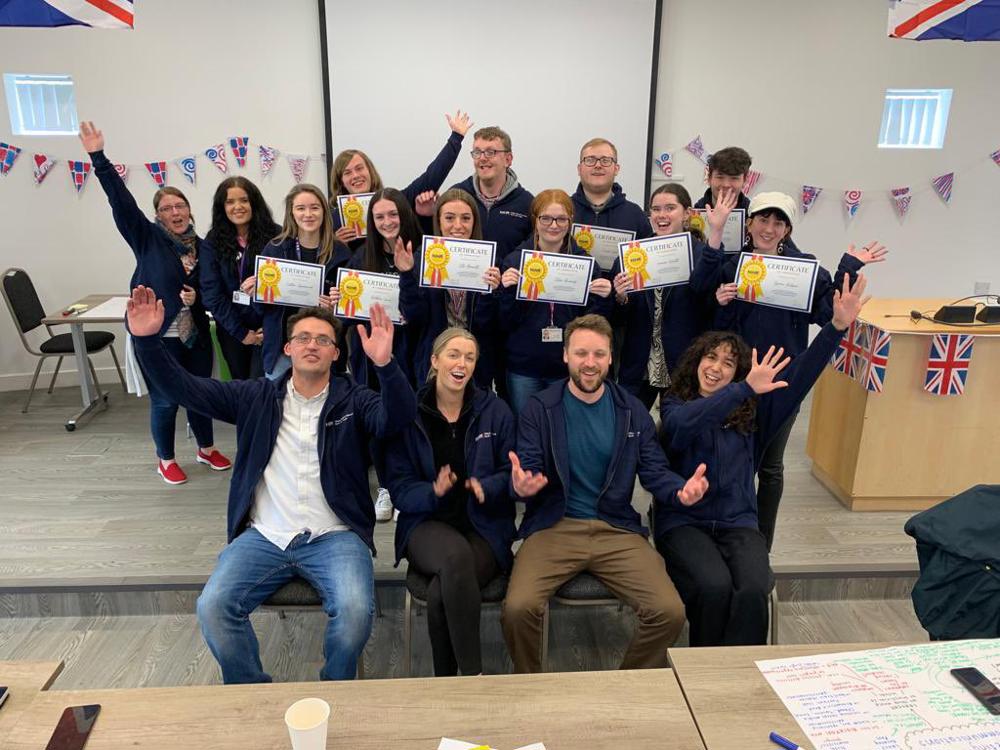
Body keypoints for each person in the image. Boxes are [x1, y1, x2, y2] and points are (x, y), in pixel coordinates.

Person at [128, 286, 416, 683]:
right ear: (287, 348)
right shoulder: (256, 396)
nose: (312, 345)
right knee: (213, 606)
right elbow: (183, 388)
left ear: (336, 353)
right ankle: (252, 693)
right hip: (265, 535)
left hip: (336, 535)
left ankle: (335, 690)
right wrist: (147, 342)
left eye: (323, 340)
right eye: (303, 338)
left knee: (354, 613)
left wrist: (386, 366)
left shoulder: (355, 400)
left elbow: (398, 419)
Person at [655, 274, 868, 646]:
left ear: (738, 372)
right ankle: (706, 667)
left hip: (738, 521)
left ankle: (741, 668)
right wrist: (741, 389)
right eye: (711, 357)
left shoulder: (753, 411)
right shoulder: (676, 404)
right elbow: (682, 426)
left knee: (753, 588)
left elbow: (800, 376)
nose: (716, 367)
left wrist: (835, 327)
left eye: (728, 363)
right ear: (696, 361)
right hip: (684, 522)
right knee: (714, 586)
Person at [501, 314, 709, 673]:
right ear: (565, 355)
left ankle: (624, 685)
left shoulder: (632, 411)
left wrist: (680, 490)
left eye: (599, 354)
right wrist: (522, 484)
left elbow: (654, 470)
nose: (590, 362)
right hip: (555, 526)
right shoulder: (541, 407)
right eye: (581, 353)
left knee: (669, 611)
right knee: (518, 609)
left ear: (611, 357)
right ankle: (531, 685)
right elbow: (528, 463)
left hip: (615, 528)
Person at [707, 191, 888, 550]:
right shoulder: (732, 267)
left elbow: (828, 314)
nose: (769, 228)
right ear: (749, 224)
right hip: (738, 381)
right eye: (763, 220)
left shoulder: (806, 270)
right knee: (731, 460)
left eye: (779, 223)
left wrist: (849, 267)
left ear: (787, 230)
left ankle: (763, 544)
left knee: (770, 466)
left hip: (783, 381)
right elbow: (719, 330)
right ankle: (728, 534)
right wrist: (722, 303)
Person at [79, 121, 230, 485]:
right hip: (158, 337)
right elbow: (121, 202)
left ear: (189, 211)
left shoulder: (204, 246)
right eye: (166, 208)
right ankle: (166, 459)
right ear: (158, 215)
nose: (175, 212)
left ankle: (206, 448)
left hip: (195, 336)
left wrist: (198, 297)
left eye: (180, 206)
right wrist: (99, 158)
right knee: (165, 400)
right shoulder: (146, 238)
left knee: (201, 394)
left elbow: (213, 288)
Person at [382, 328, 515, 676]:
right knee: (454, 557)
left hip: (483, 526)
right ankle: (473, 677)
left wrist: (488, 486)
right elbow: (399, 487)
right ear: (435, 360)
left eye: (470, 358)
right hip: (426, 524)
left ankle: (445, 682)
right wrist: (433, 491)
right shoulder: (410, 414)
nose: (462, 364)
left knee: (442, 592)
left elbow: (510, 471)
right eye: (454, 354)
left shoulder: (495, 410)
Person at [335, 187, 423, 522]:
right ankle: (386, 486)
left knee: (408, 420)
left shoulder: (422, 252)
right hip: (370, 357)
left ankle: (407, 485)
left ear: (404, 215)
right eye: (379, 216)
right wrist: (338, 303)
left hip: (409, 354)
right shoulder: (361, 257)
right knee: (376, 422)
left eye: (393, 214)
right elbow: (349, 319)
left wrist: (408, 273)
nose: (387, 222)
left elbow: (420, 315)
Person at [610, 183, 737, 409]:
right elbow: (619, 317)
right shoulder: (632, 255)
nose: (662, 215)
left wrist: (716, 231)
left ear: (687, 213)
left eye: (670, 208)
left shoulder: (700, 253)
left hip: (682, 363)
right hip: (639, 364)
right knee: (629, 424)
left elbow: (701, 288)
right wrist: (620, 297)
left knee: (678, 427)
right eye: (656, 209)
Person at [498, 189, 612, 414]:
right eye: (546, 218)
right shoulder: (515, 262)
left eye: (561, 219)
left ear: (570, 221)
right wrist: (507, 291)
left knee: (564, 427)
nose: (553, 225)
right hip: (524, 367)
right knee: (526, 425)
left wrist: (604, 298)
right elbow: (504, 322)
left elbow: (594, 322)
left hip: (566, 368)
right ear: (535, 220)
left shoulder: (585, 264)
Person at [397, 188, 501, 390]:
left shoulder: (489, 261)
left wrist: (489, 293)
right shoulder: (422, 258)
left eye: (465, 218)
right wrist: (407, 274)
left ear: (474, 222)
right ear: (438, 221)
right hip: (432, 361)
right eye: (449, 218)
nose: (458, 226)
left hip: (475, 364)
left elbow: (487, 324)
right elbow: (414, 317)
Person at [330, 111, 473, 249]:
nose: (355, 175)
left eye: (359, 168)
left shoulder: (397, 201)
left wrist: (456, 138)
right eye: (347, 173)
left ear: (370, 171)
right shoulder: (333, 218)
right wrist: (337, 245)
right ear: (340, 181)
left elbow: (431, 177)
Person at [257, 184, 352, 381]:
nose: (308, 214)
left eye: (314, 207)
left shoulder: (341, 253)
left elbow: (347, 314)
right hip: (282, 351)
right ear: (291, 213)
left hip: (323, 350)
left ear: (324, 212)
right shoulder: (275, 249)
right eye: (300, 208)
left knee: (324, 400)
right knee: (278, 399)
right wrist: (255, 293)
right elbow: (260, 309)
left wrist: (334, 309)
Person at [201, 176, 281, 380]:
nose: (238, 207)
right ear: (222, 207)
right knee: (242, 385)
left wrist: (270, 326)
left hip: (269, 327)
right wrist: (242, 333)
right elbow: (211, 294)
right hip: (232, 330)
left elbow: (286, 286)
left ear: (254, 203)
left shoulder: (277, 236)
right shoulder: (213, 241)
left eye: (244, 200)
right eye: (230, 202)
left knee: (266, 385)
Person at [451, 126, 534, 261]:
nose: (482, 158)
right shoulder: (457, 196)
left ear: (508, 159)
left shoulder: (527, 204)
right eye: (477, 152)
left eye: (490, 152)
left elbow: (534, 251)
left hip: (506, 275)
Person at [571, 137, 652, 239]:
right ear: (579, 169)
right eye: (590, 160)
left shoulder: (635, 215)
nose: (598, 165)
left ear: (616, 169)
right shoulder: (563, 212)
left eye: (605, 161)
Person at [693, 146, 753, 211]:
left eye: (734, 178)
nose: (726, 185)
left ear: (745, 180)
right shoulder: (694, 214)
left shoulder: (754, 213)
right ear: (709, 178)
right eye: (720, 177)